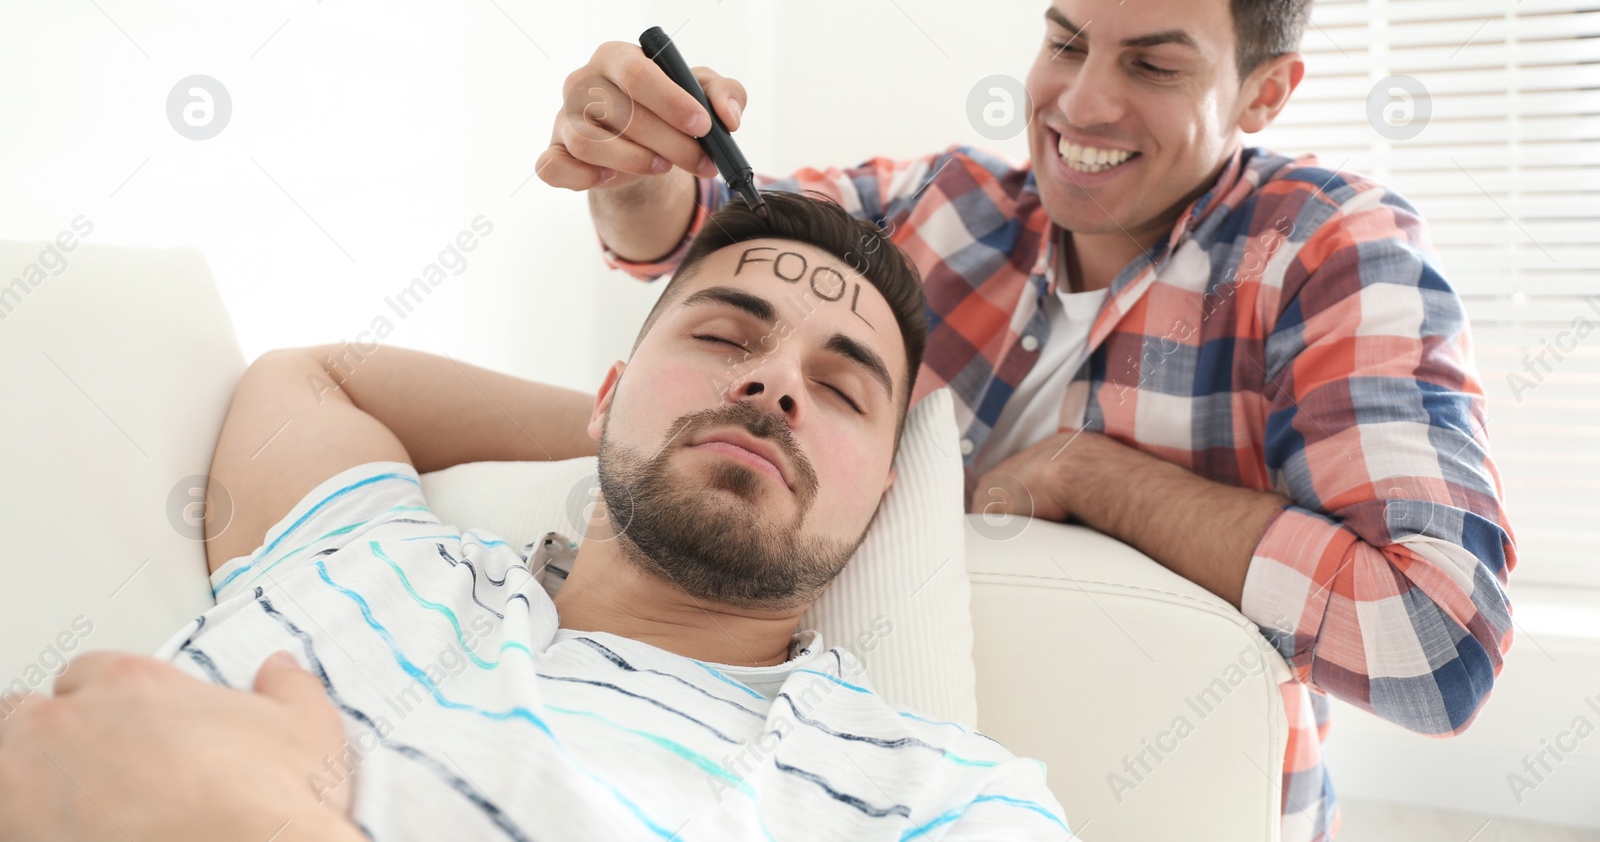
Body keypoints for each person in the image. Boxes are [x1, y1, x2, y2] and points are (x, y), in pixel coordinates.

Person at [537, 0, 1517, 842]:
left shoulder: (1327, 249)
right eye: (1065, 43)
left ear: (1264, 92)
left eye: (1151, 64)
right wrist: (632, 173)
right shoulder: (946, 203)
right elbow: (705, 234)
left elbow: (1437, 643)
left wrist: (1090, 477)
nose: (1081, 102)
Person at [0, 191, 1073, 841]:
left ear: (885, 492)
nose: (774, 384)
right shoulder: (375, 548)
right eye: (721, 338)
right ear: (603, 390)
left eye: (840, 391)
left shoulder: (933, 795)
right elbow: (317, 374)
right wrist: (645, 431)